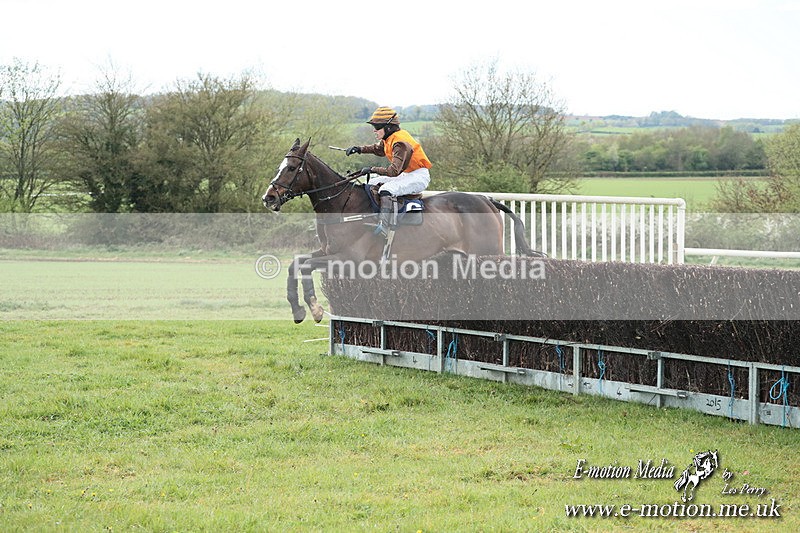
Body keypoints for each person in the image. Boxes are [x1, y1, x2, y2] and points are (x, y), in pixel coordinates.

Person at [345, 106, 432, 233]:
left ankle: (384, 225)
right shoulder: (390, 138)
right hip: (405, 174)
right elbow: (378, 149)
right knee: (371, 183)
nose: (374, 131)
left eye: (376, 127)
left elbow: (393, 172)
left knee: (386, 189)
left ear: (388, 127)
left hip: (418, 176)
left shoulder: (400, 143)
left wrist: (371, 169)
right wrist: (359, 149)